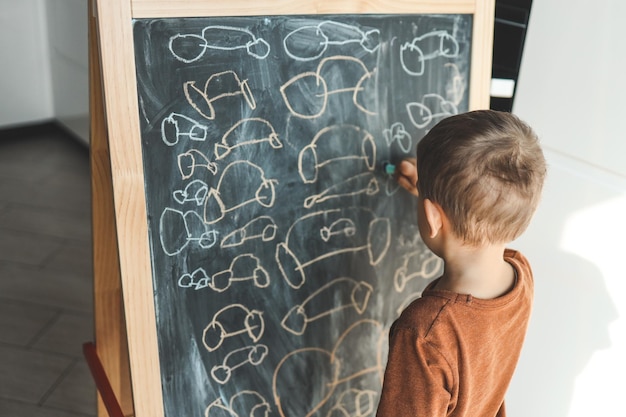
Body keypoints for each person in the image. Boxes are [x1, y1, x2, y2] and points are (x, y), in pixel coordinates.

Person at [376, 110, 547, 417]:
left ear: (431, 218)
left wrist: (440, 196)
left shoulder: (424, 334)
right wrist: (434, 191)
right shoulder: (520, 274)